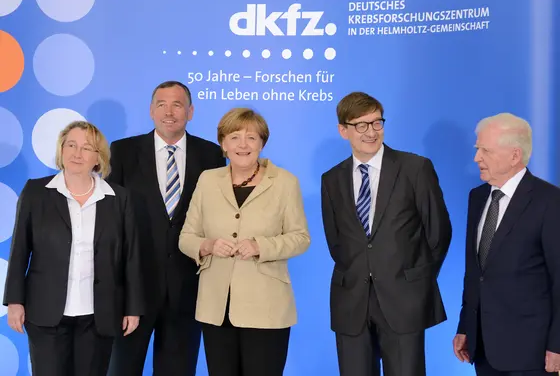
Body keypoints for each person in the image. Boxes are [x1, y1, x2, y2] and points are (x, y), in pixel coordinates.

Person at [320, 91, 452, 376]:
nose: (371, 132)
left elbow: (439, 233)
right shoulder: (331, 179)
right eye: (361, 125)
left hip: (405, 301)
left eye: (377, 123)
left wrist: (416, 280)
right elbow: (336, 241)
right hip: (351, 302)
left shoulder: (415, 168)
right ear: (343, 131)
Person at [2, 121, 143, 376]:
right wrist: (14, 301)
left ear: (98, 158)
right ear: (61, 150)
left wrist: (133, 308)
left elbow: (130, 257)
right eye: (71, 145)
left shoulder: (119, 198)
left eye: (87, 148)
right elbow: (20, 249)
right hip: (45, 313)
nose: (77, 153)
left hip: (98, 315)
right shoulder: (36, 192)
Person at [178, 107, 311, 376]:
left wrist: (261, 246)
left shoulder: (285, 182)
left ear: (262, 142)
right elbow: (186, 237)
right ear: (223, 143)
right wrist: (208, 245)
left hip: (267, 307)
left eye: (251, 138)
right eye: (235, 137)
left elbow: (301, 238)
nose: (243, 145)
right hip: (216, 307)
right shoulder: (207, 180)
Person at [106, 80, 226, 376]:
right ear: (150, 111)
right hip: (133, 290)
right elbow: (110, 220)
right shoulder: (122, 151)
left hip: (187, 289)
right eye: (161, 104)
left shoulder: (211, 155)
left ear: (191, 111)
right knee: (121, 368)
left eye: (177, 105)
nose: (169, 112)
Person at [453, 113, 560, 375]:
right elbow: (475, 272)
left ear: (514, 155)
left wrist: (557, 345)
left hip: (532, 352)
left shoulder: (550, 202)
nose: (477, 158)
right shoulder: (477, 197)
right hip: (484, 349)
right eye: (477, 149)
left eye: (485, 150)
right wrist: (465, 326)